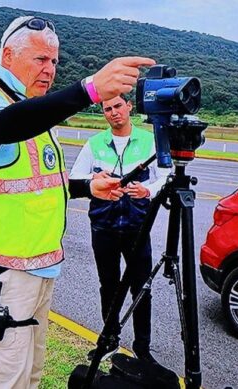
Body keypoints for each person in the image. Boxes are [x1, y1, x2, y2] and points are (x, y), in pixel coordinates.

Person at [0, 15, 155, 388]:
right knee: (3, 379)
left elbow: (40, 182)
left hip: (38, 270)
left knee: (30, 375)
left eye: (55, 62)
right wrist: (88, 90)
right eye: (41, 59)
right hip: (2, 273)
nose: (50, 70)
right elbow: (0, 127)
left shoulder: (31, 107)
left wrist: (86, 187)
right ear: (8, 54)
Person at [70, 94, 170, 363]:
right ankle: (110, 340)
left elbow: (166, 176)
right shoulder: (94, 144)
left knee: (142, 288)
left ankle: (142, 348)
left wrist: (147, 190)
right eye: (107, 109)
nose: (113, 112)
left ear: (129, 107)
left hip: (138, 227)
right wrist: (95, 178)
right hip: (103, 227)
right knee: (109, 285)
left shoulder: (149, 141)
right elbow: (74, 179)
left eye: (118, 106)